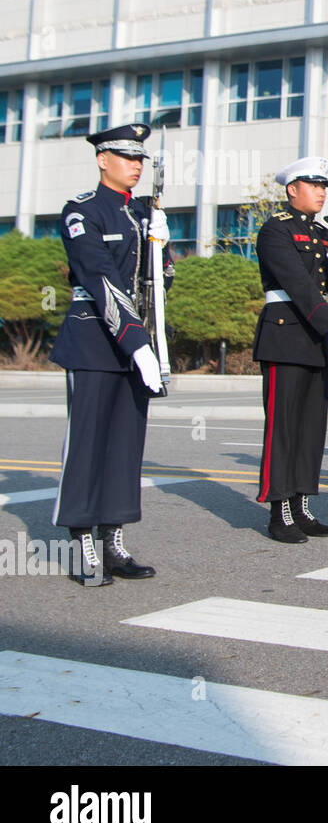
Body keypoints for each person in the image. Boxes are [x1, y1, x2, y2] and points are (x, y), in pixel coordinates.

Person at [50, 123, 171, 585]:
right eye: (127, 158)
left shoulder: (143, 213)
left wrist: (161, 250)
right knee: (87, 445)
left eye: (140, 159)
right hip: (95, 341)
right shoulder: (81, 211)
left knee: (125, 446)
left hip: (135, 345)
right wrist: (137, 343)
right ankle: (83, 541)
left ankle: (114, 538)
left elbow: (159, 286)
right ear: (103, 160)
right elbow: (98, 277)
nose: (136, 166)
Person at [253, 157, 328, 544]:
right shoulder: (276, 230)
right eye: (314, 185)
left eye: (325, 186)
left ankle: (303, 505)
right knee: (283, 428)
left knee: (311, 429)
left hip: (316, 339)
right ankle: (279, 511)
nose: (322, 192)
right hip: (286, 335)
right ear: (293, 189)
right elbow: (297, 282)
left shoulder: (326, 232)